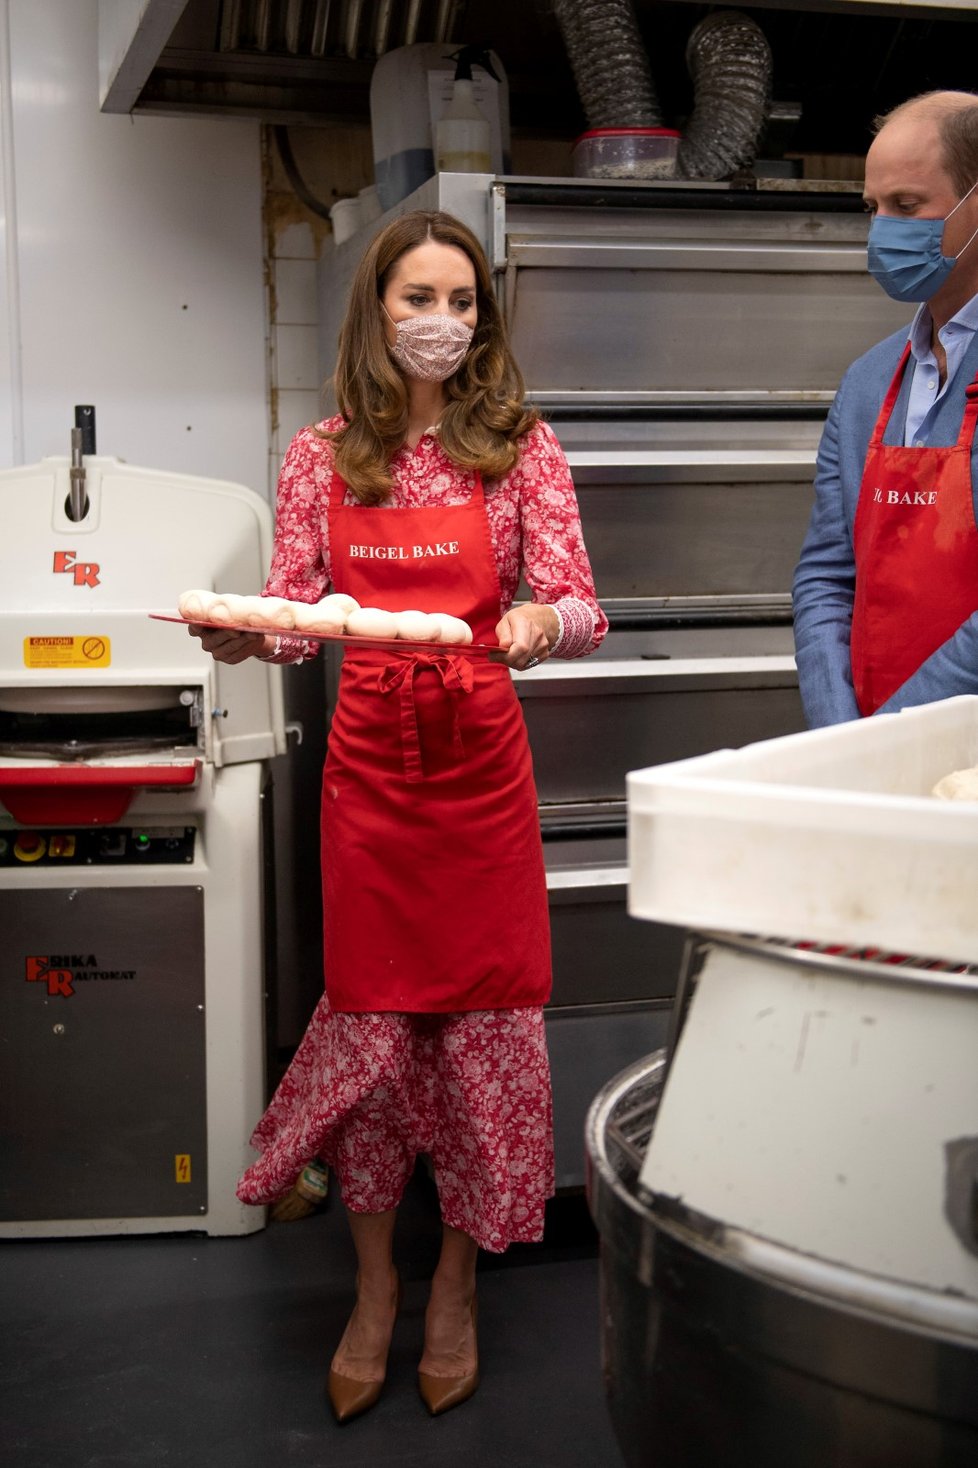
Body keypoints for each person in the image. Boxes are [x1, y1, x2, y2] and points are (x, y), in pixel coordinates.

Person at [189, 208, 607, 1422]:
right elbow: (294, 612)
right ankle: (374, 1289)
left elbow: (582, 601)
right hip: (370, 767)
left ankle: (458, 1285)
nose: (444, 322)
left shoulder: (521, 446)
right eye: (420, 298)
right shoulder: (322, 453)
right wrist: (238, 634)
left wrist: (540, 624)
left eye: (464, 301)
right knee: (374, 1026)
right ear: (377, 311)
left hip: (480, 765)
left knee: (475, 1026)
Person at [792, 90, 978, 728]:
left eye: (907, 206)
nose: (883, 231)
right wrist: (840, 729)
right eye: (873, 208)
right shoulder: (869, 380)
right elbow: (825, 576)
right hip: (871, 754)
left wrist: (892, 736)